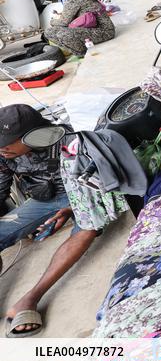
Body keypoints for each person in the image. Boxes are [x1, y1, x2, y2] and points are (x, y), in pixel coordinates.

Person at [0, 106, 107, 337]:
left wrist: (70, 209)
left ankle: (31, 297)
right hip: (44, 199)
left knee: (88, 227)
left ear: (34, 134)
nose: (2, 148)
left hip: (83, 192)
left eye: (8, 141)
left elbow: (96, 182)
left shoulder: (70, 141)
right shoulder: (3, 153)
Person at [43, 0, 115, 56]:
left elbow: (64, 22)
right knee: (50, 31)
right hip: (104, 30)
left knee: (61, 34)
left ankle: (82, 53)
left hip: (104, 32)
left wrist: (52, 21)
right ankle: (80, 49)